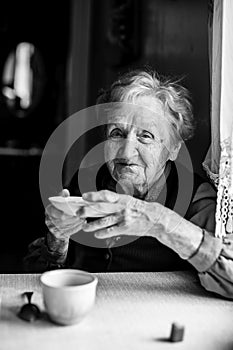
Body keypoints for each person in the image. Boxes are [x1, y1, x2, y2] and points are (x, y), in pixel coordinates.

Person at [24, 69, 233, 299]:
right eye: (116, 133)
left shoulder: (196, 197)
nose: (126, 152)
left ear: (173, 148)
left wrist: (157, 220)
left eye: (146, 136)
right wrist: (57, 240)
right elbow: (35, 279)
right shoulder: (86, 183)